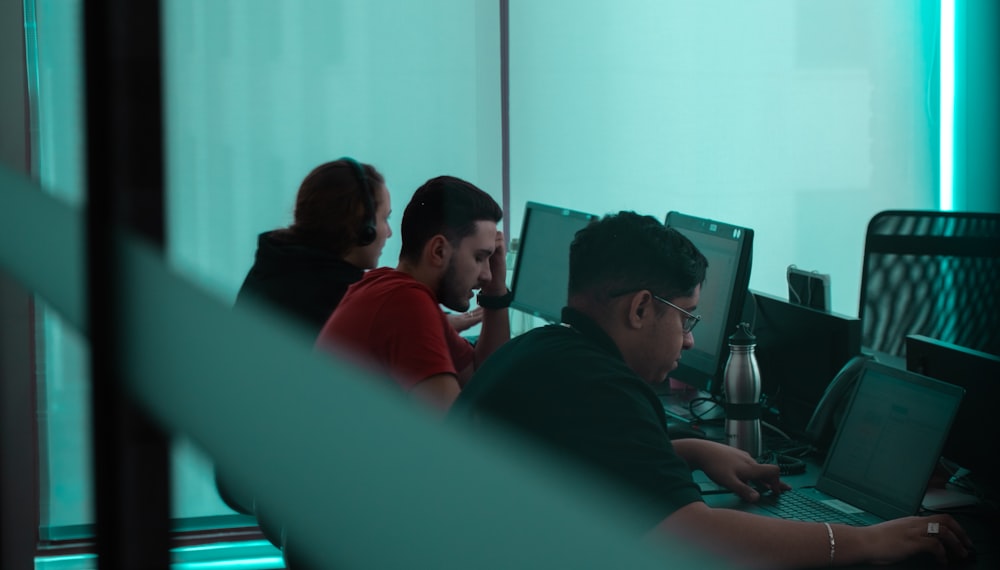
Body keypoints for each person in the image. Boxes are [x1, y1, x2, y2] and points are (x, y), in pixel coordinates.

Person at [449, 212, 973, 568]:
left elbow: (587, 462)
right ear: (639, 309)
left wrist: (692, 451)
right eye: (686, 317)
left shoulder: (543, 352)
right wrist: (865, 541)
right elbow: (694, 534)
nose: (693, 337)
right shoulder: (601, 388)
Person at [316, 175, 510, 413]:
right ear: (438, 251)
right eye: (479, 258)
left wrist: (497, 290)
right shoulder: (405, 304)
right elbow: (456, 434)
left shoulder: (390, 286)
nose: (486, 275)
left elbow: (480, 379)